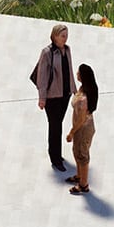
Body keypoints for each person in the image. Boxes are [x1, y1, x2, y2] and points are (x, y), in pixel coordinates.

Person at [36, 24, 76, 171]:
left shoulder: (67, 50)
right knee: (55, 126)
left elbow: (70, 70)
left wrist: (74, 89)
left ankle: (57, 153)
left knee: (58, 124)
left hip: (65, 95)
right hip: (52, 96)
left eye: (66, 35)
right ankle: (55, 158)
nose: (65, 38)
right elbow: (42, 77)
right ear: (54, 36)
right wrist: (42, 98)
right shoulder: (47, 53)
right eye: (62, 35)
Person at [66, 63, 98, 195]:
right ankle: (79, 176)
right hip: (84, 127)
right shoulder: (84, 89)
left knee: (82, 156)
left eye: (78, 73)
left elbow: (81, 119)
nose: (77, 74)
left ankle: (83, 185)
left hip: (82, 129)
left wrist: (71, 132)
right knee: (77, 152)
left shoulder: (83, 99)